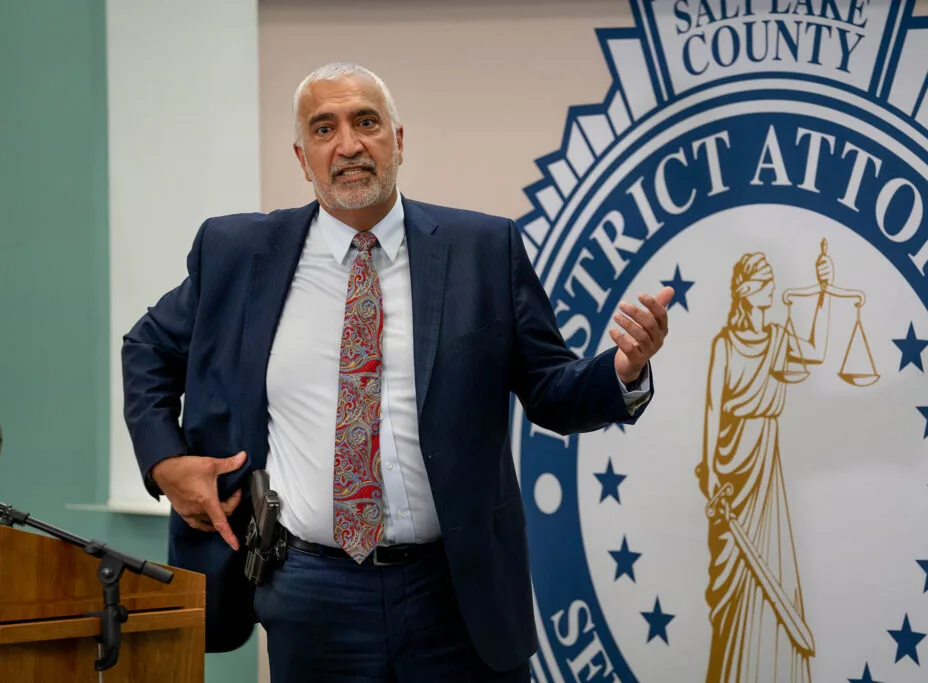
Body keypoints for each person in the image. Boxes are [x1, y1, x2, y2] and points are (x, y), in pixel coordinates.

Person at [122, 62, 674, 683]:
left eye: (366, 122)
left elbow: (550, 389)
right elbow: (146, 349)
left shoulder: (483, 249)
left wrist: (622, 371)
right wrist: (164, 462)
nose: (348, 145)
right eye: (324, 129)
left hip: (455, 591)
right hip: (310, 592)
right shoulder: (238, 253)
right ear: (302, 158)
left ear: (398, 141)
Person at [697, 250, 832, 683]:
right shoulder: (724, 345)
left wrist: (824, 293)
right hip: (731, 473)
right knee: (733, 580)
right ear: (748, 290)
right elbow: (713, 410)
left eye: (772, 281)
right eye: (767, 282)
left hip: (764, 467)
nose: (773, 288)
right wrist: (710, 477)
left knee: (772, 560)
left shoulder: (778, 338)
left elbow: (816, 351)